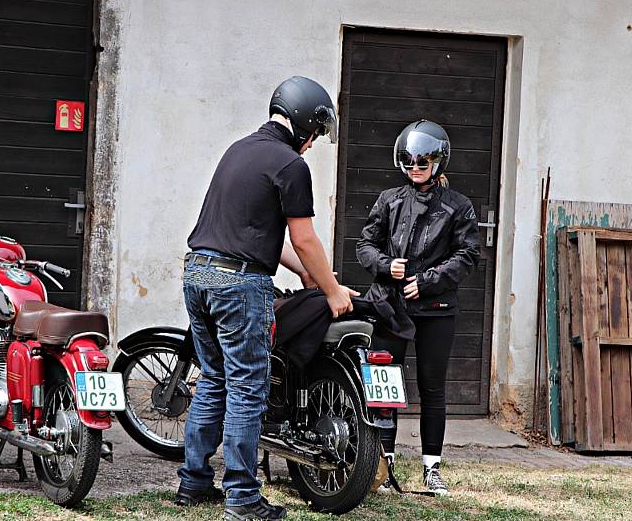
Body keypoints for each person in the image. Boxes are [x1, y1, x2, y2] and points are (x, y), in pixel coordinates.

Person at [176, 76, 359, 520]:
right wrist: (332, 290)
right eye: (315, 134)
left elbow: (259, 234)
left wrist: (311, 278)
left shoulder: (238, 150)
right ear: (303, 124)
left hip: (197, 273)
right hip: (238, 285)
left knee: (214, 378)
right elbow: (304, 238)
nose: (313, 144)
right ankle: (241, 497)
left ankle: (193, 484)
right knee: (245, 387)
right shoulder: (290, 165)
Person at [356, 119, 480, 496]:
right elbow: (365, 245)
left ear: (438, 162)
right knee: (384, 385)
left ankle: (432, 469)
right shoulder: (389, 199)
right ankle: (383, 462)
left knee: (432, 388)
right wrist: (384, 265)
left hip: (437, 309)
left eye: (421, 163)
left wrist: (426, 281)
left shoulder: (459, 206)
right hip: (390, 307)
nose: (414, 169)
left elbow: (468, 254)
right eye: (408, 162)